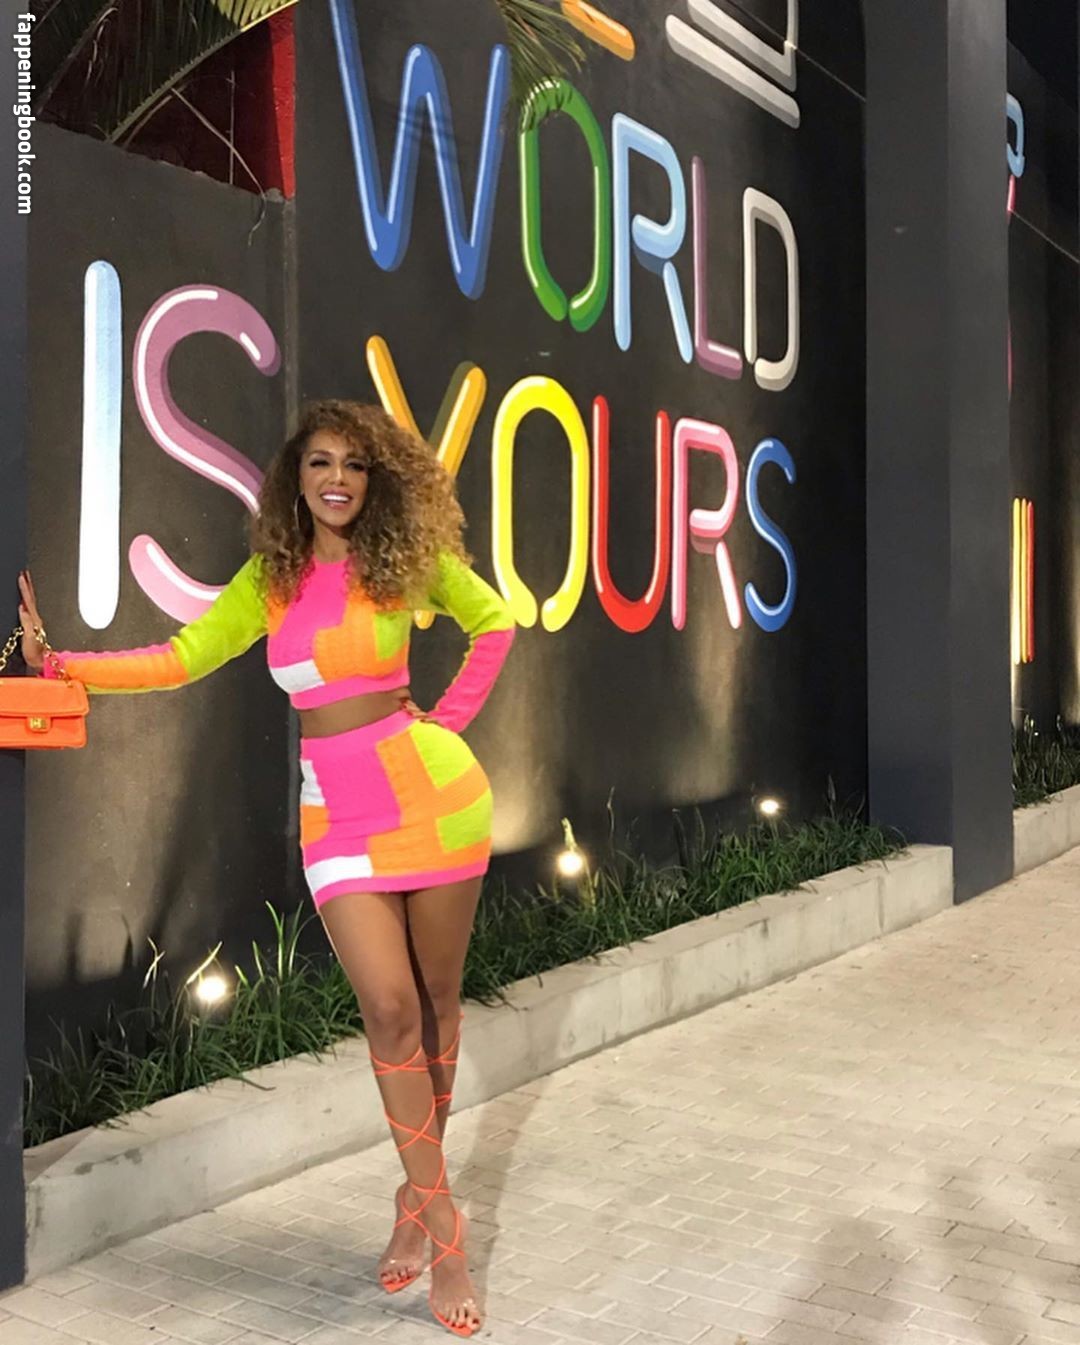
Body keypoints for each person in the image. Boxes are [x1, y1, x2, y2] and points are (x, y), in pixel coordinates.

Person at [18, 400, 515, 1339]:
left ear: (374, 481)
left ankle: (416, 1198)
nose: (337, 479)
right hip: (338, 817)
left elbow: (494, 622)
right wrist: (65, 665)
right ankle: (444, 1221)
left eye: (355, 465)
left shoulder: (401, 560)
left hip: (438, 801)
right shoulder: (272, 579)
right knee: (390, 1009)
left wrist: (445, 724)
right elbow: (180, 658)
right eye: (321, 462)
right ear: (297, 477)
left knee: (438, 1005)